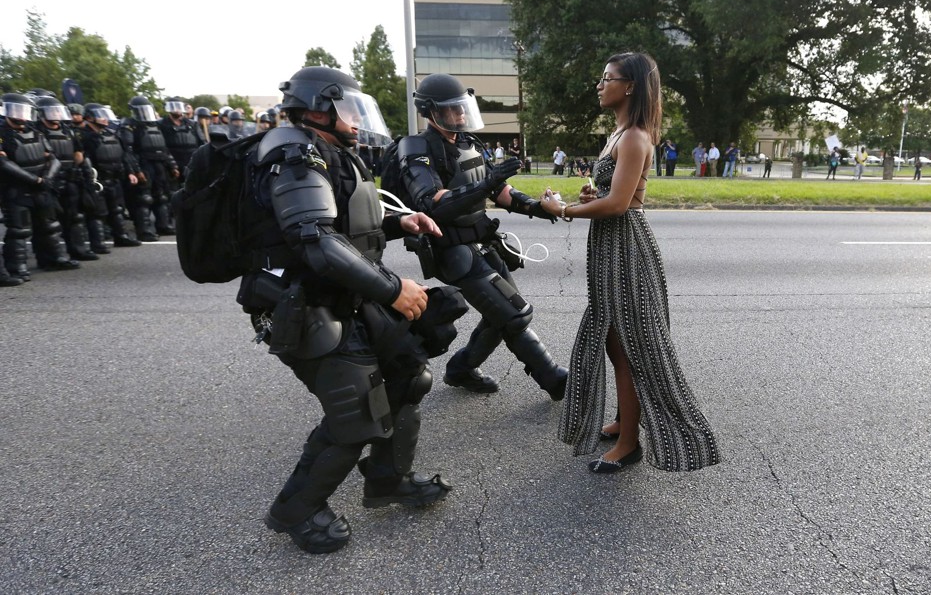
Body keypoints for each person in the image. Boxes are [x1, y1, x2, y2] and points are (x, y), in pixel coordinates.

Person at [236, 66, 459, 555]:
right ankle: (297, 509)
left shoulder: (325, 151)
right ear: (319, 107)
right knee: (357, 413)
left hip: (342, 295)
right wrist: (392, 288)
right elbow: (316, 242)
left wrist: (402, 222)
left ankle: (387, 480)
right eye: (348, 110)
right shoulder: (294, 154)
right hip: (305, 304)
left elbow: (346, 224)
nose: (357, 121)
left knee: (407, 375)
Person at [539, 52, 720, 474]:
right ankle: (625, 420)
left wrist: (562, 209)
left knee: (631, 346)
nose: (600, 85)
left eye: (608, 78)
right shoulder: (618, 134)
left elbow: (620, 204)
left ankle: (629, 443)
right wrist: (590, 196)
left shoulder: (636, 136)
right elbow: (611, 195)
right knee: (612, 339)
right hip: (610, 246)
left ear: (631, 86)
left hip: (626, 248)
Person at [395, 73, 568, 400]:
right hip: (452, 249)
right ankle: (554, 378)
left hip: (483, 242)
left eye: (463, 108)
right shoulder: (417, 147)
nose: (460, 114)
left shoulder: (468, 143)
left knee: (500, 314)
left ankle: (461, 368)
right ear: (430, 111)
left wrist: (537, 207)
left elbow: (499, 190)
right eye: (452, 109)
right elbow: (431, 202)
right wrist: (486, 185)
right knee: (514, 313)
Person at [0, 92, 80, 280]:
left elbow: (53, 158)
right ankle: (16, 267)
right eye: (16, 110)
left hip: (42, 186)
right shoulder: (3, 135)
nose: (20, 115)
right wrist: (34, 180)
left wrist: (47, 178)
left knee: (50, 225)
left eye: (23, 110)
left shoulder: (36, 132)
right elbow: (4, 163)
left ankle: (54, 258)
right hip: (17, 189)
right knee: (19, 230)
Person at [34, 95, 99, 261]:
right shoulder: (36, 131)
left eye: (57, 111)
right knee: (48, 222)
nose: (55, 114)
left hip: (70, 179)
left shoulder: (67, 130)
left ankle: (77, 250)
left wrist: (81, 172)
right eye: (52, 111)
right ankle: (49, 258)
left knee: (74, 217)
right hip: (48, 181)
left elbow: (79, 153)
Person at [80, 103, 143, 248]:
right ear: (90, 117)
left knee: (117, 210)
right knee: (97, 213)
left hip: (114, 178)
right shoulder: (85, 137)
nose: (105, 119)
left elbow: (124, 156)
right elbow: (83, 160)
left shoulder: (111, 134)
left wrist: (130, 172)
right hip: (98, 180)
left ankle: (121, 237)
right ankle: (98, 243)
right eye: (100, 115)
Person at [118, 96, 179, 239]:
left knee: (162, 196)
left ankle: (164, 225)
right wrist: (136, 170)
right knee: (144, 198)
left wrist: (172, 165)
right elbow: (128, 151)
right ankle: (144, 230)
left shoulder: (155, 125)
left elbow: (164, 148)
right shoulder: (129, 126)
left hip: (159, 164)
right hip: (144, 163)